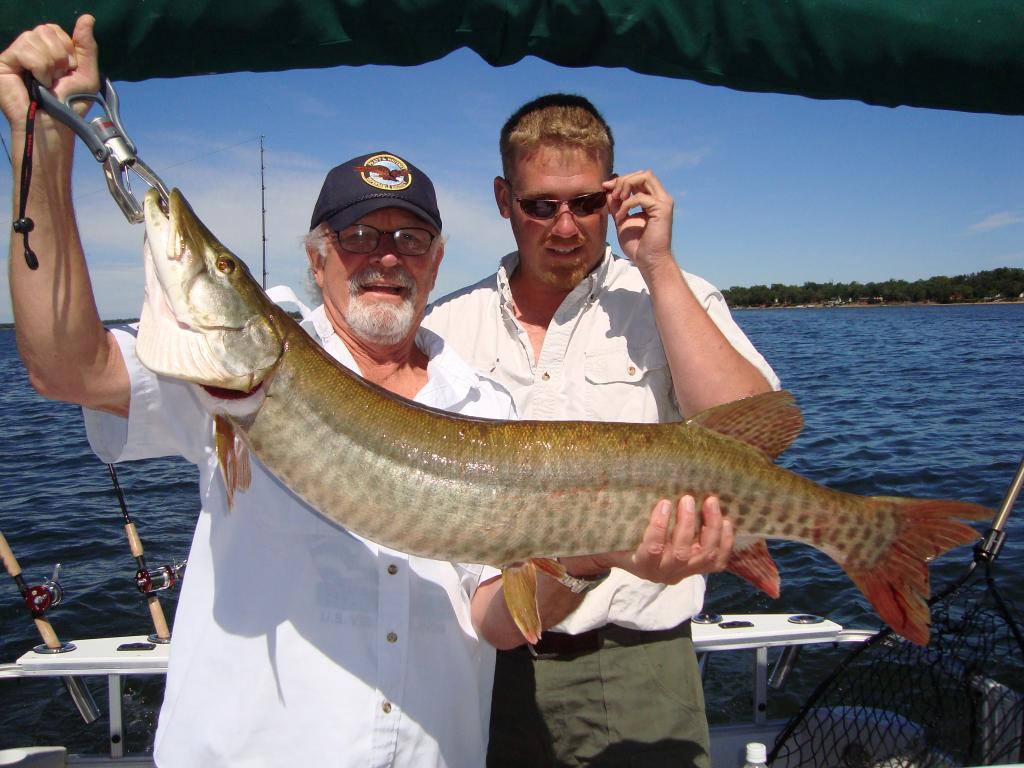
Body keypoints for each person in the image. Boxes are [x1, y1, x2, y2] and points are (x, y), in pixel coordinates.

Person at [2, 19, 732, 768]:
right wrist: (41, 143)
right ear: (317, 260)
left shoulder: (483, 404)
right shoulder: (224, 382)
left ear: (436, 261)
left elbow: (494, 618)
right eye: (356, 238)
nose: (385, 258)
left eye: (409, 240)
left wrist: (592, 559)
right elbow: (66, 364)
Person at [423, 93, 781, 767]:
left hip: (635, 662)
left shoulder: (673, 296)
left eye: (586, 203)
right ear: (503, 200)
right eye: (541, 205)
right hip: (484, 661)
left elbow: (752, 442)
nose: (565, 227)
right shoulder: (445, 328)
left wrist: (658, 265)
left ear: (613, 198)